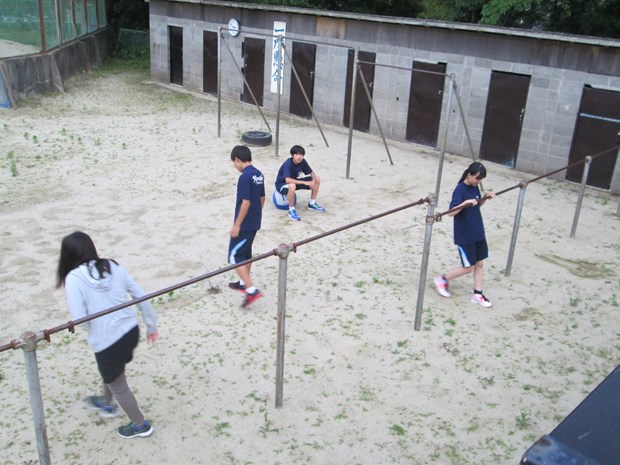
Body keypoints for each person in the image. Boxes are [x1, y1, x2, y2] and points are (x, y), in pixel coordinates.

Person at [56, 231, 158, 439]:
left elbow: (80, 320)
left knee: (119, 386)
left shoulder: (74, 278)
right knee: (113, 372)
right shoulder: (112, 265)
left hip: (107, 343)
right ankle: (106, 402)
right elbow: (140, 295)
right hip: (131, 332)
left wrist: (97, 324)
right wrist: (151, 325)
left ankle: (139, 425)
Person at [434, 161, 496, 308]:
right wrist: (465, 203)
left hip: (478, 231)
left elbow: (476, 204)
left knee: (480, 263)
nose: (479, 181)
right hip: (465, 234)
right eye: (477, 178)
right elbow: (451, 212)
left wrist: (485, 198)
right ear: (469, 175)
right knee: (469, 267)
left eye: (481, 179)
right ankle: (442, 279)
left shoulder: (475, 187)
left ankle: (478, 294)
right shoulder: (460, 190)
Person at [227, 145, 265, 308]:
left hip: (244, 224)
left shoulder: (244, 177)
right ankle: (243, 283)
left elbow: (246, 202)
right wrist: (256, 214)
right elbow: (262, 198)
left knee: (234, 256)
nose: (235, 166)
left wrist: (237, 224)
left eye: (234, 162)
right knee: (246, 254)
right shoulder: (258, 174)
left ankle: (251, 290)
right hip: (254, 221)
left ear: (237, 159)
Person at [274, 144, 325, 221]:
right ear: (292, 155)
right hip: (281, 185)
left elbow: (312, 174)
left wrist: (313, 181)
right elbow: (287, 180)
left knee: (317, 179)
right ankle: (291, 210)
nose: (299, 157)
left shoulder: (303, 162)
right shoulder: (288, 163)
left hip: (294, 183)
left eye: (301, 154)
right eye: (297, 154)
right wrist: (304, 183)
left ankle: (312, 204)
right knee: (292, 185)